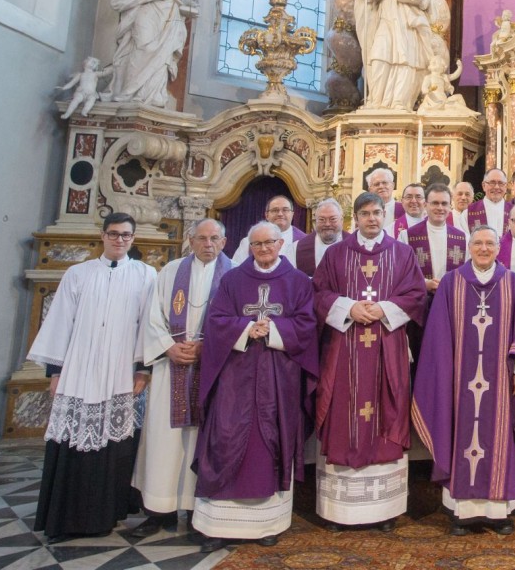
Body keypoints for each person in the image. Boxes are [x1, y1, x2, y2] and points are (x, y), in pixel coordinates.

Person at [191, 222, 318, 552]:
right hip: (236, 373)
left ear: (280, 244)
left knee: (270, 437)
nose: (263, 249)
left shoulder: (297, 282)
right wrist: (247, 328)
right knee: (225, 435)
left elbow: (306, 324)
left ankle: (267, 524)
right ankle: (217, 523)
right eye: (257, 244)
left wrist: (274, 330)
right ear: (249, 247)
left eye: (269, 243)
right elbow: (216, 321)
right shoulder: (232, 280)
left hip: (278, 375)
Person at [28, 213, 156, 543]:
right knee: (72, 442)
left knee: (116, 446)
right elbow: (59, 322)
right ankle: (64, 516)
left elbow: (148, 326)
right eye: (114, 234)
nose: (119, 240)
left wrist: (143, 369)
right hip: (79, 370)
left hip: (119, 371)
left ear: (133, 238)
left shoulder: (145, 275)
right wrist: (55, 372)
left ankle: (106, 515)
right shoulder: (78, 274)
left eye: (126, 235)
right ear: (103, 236)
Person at [412, 226, 515, 535]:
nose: (484, 249)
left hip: (501, 382)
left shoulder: (511, 282)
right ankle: (463, 512)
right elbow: (437, 337)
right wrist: (443, 377)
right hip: (460, 382)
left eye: (490, 244)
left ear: (499, 248)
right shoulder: (450, 283)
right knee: (461, 434)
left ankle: (499, 512)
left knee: (500, 436)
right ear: (468, 247)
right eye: (478, 243)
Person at [311, 193, 428, 531]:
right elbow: (319, 293)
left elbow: (416, 295)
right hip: (344, 349)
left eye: (377, 213)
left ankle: (383, 510)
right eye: (365, 214)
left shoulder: (402, 253)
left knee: (386, 411)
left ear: (385, 214)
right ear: (356, 217)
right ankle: (338, 511)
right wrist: (348, 307)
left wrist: (383, 309)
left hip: (386, 348)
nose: (372, 219)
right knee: (342, 414)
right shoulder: (336, 254)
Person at [132, 219, 232, 537]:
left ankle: (195, 511)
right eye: (201, 238)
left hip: (214, 369)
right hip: (170, 367)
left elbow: (237, 321)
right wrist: (168, 347)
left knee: (200, 440)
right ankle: (157, 510)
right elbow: (152, 317)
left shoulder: (234, 274)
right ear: (190, 240)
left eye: (214, 238)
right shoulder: (171, 271)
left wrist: (207, 347)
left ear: (224, 242)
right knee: (164, 441)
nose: (207, 244)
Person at [355, 0, 438, 110]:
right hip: (385, 23)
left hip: (407, 27)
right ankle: (376, 100)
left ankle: (400, 102)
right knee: (378, 56)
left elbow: (428, 2)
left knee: (406, 61)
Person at [400, 183, 467, 361]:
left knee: (448, 355)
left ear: (450, 206)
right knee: (422, 354)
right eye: (435, 203)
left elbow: (469, 273)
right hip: (419, 306)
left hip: (451, 306)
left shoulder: (462, 238)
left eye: (444, 203)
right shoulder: (407, 236)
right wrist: (424, 284)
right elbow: (400, 275)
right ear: (425, 205)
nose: (440, 208)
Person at [232, 195, 306, 263]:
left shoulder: (304, 241)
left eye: (285, 210)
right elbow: (238, 270)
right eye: (275, 210)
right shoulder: (248, 242)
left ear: (292, 214)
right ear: (266, 215)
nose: (280, 214)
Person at [291, 199, 344, 277]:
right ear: (315, 222)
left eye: (333, 219)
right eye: (321, 219)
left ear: (341, 220)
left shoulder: (354, 244)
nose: (327, 224)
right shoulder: (296, 248)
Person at [469, 168, 513, 235]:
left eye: (501, 183)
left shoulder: (514, 211)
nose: (496, 187)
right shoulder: (469, 212)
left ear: (506, 187)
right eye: (492, 183)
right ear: (484, 186)